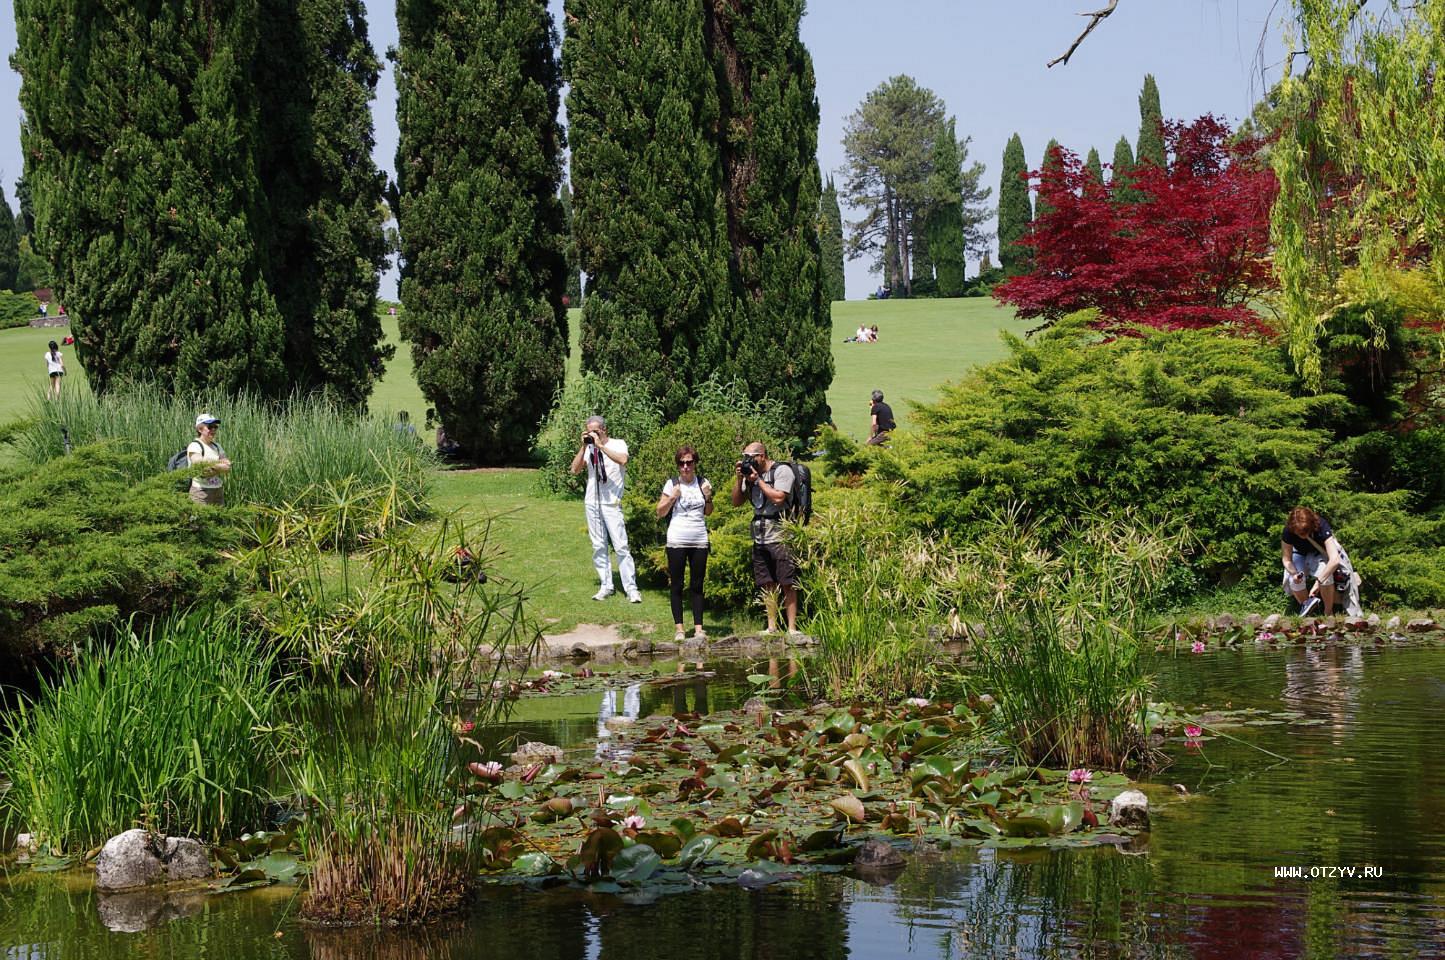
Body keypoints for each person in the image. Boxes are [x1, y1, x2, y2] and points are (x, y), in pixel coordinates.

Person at [730, 441, 799, 635]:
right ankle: (772, 627)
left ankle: (792, 629)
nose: (748, 461)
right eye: (745, 457)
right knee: (767, 583)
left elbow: (778, 498)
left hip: (780, 534)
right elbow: (736, 502)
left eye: (751, 457)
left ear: (762, 455)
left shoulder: (782, 471)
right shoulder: (749, 474)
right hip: (759, 536)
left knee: (787, 581)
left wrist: (758, 480)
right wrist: (739, 479)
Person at [570, 415, 641, 602]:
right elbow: (574, 469)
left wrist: (601, 446)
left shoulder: (618, 444)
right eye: (589, 431)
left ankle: (631, 588)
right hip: (592, 502)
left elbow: (623, 460)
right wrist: (584, 446)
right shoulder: (588, 448)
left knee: (621, 545)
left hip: (612, 503)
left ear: (604, 430)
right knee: (598, 546)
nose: (592, 434)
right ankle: (606, 585)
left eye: (595, 431)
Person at [656, 444, 714, 642]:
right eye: (682, 463)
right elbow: (660, 511)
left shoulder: (703, 482)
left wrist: (708, 497)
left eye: (689, 462)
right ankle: (679, 628)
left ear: (695, 463)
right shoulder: (672, 484)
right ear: (678, 466)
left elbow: (708, 512)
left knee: (697, 585)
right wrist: (672, 497)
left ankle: (699, 628)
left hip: (699, 539)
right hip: (677, 540)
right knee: (677, 585)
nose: (686, 467)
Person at [1281, 506, 1360, 616]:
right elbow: (1286, 559)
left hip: (1319, 552)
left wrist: (1319, 582)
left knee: (1326, 577)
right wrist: (1294, 573)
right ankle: (1307, 608)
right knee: (1293, 580)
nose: (1303, 536)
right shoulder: (1288, 531)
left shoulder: (1321, 525)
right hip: (1299, 554)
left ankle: (1328, 612)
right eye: (1299, 534)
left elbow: (1334, 559)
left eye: (1305, 532)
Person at [186, 414, 231, 506]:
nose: (213, 430)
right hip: (200, 491)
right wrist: (219, 467)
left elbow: (227, 466)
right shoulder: (195, 446)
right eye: (210, 427)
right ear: (200, 429)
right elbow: (201, 468)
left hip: (218, 490)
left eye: (215, 427)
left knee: (218, 519)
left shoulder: (217, 446)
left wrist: (212, 467)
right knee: (200, 519)